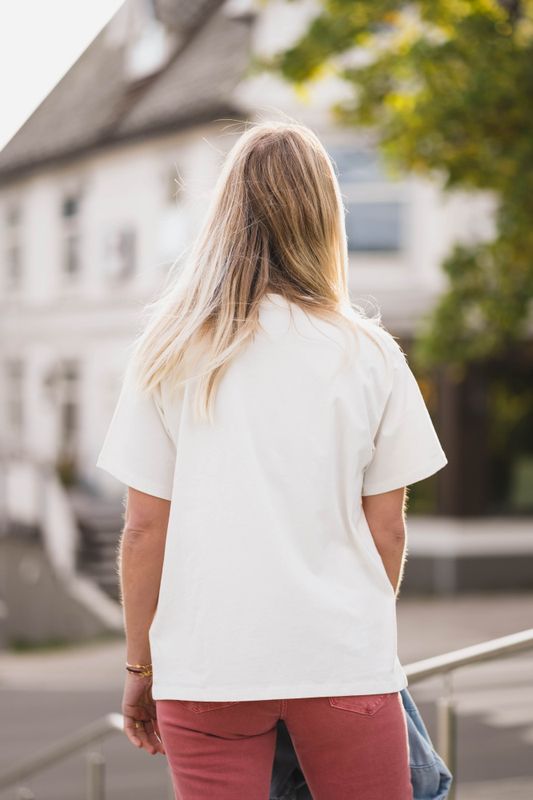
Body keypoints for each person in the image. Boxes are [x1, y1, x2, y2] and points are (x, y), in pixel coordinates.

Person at [96, 121, 448, 800]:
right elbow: (387, 530)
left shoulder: (169, 352)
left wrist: (140, 666)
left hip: (207, 667)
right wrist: (344, 629)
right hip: (342, 664)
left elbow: (144, 530)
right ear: (324, 216)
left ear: (226, 215)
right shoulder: (369, 354)